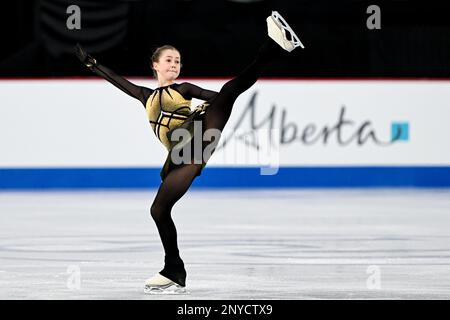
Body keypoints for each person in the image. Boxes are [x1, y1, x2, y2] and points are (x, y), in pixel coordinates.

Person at [75, 11, 304, 294]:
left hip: (199, 131)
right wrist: (93, 64)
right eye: (169, 59)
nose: (174, 63)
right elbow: (119, 81)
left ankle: (273, 45)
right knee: (158, 210)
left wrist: (210, 107)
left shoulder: (184, 89)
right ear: (155, 65)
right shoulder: (145, 96)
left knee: (229, 90)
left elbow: (216, 99)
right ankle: (174, 270)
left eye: (178, 60)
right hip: (182, 154)